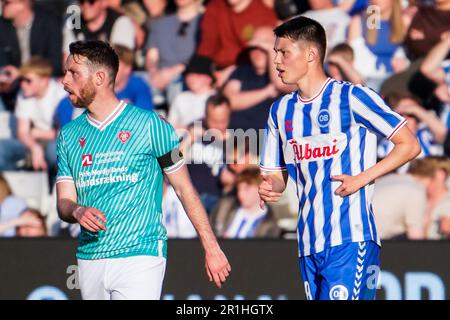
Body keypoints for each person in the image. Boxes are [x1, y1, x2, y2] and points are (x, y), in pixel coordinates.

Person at [258, 16, 420, 300]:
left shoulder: (352, 98)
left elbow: (409, 144)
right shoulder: (280, 111)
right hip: (308, 241)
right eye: (275, 53)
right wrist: (270, 186)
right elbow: (277, 174)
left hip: (351, 238)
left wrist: (363, 178)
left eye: (283, 52)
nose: (276, 61)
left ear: (311, 54)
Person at [56, 40, 230, 300]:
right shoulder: (68, 135)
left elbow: (183, 188)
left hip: (140, 254)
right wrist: (77, 210)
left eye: (73, 73)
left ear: (100, 77)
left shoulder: (152, 125)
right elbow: (64, 202)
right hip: (90, 256)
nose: (64, 80)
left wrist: (211, 246)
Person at [211, 167, 281, 238]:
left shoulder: (270, 225)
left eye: (246, 189)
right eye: (239, 189)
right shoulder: (224, 206)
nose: (241, 193)